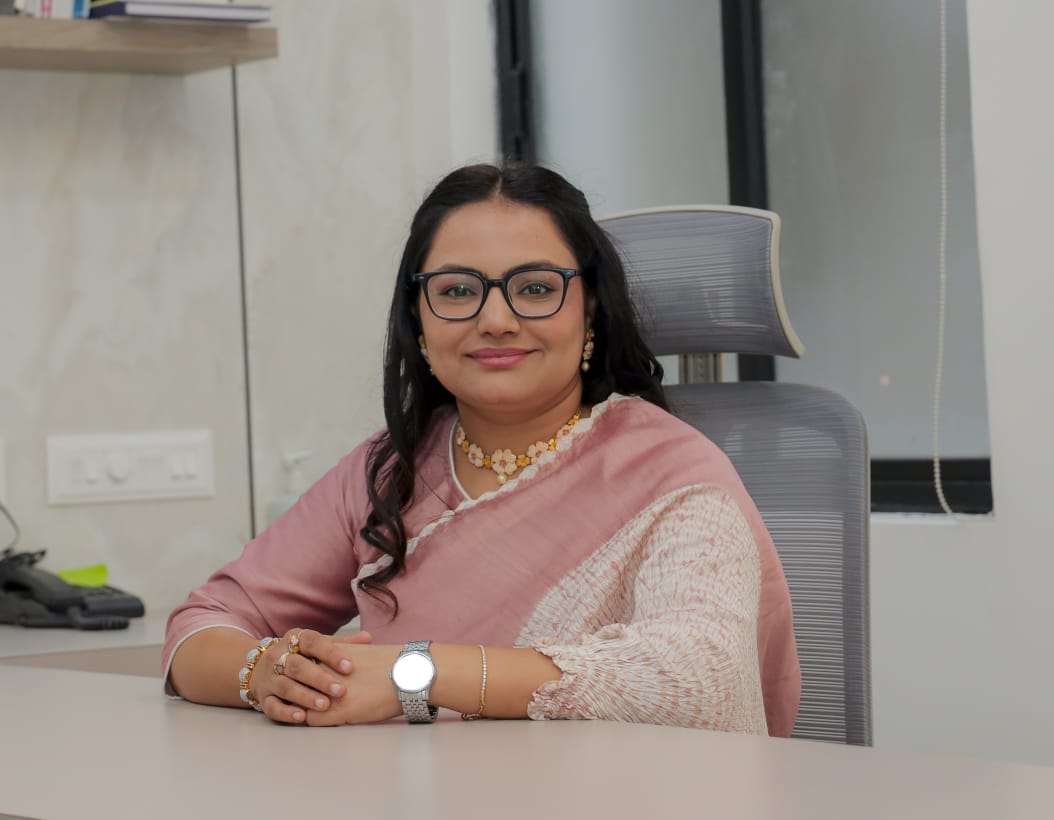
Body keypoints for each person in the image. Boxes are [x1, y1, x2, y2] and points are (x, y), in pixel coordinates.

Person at [163, 163, 801, 735]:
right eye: (457, 291)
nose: (495, 320)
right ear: (418, 320)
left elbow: (701, 682)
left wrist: (417, 674)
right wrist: (265, 671)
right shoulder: (389, 471)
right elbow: (201, 627)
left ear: (591, 309)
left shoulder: (674, 475)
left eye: (535, 288)